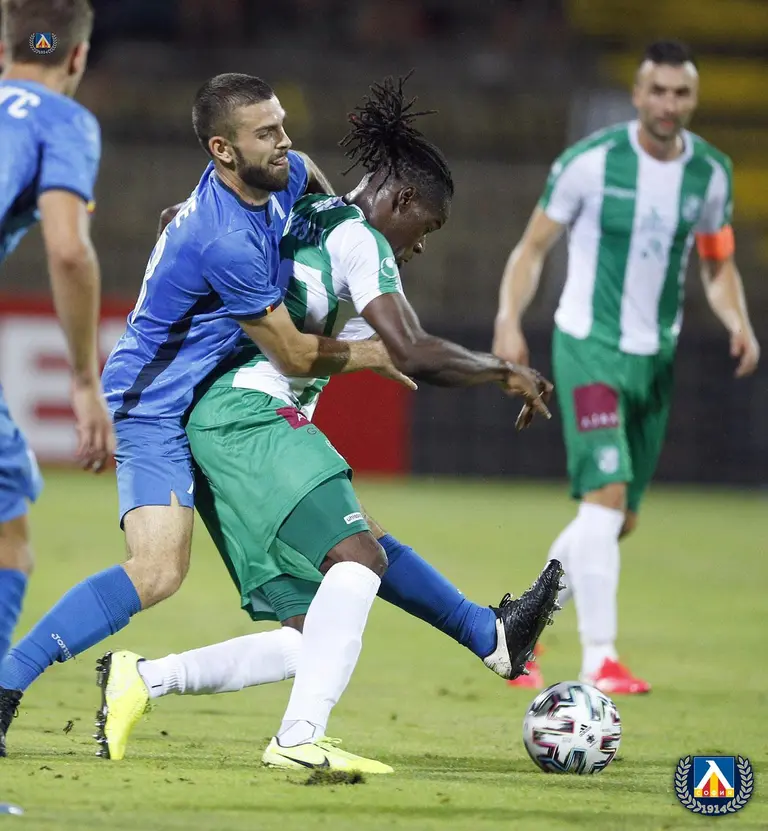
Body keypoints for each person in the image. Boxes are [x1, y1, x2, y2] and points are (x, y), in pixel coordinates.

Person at [94, 76, 562, 771]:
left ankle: (144, 678)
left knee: (314, 630)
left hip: (218, 428)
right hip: (247, 416)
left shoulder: (300, 202)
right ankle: (298, 738)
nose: (422, 246)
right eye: (428, 226)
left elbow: (216, 203)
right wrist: (502, 370)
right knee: (360, 559)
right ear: (399, 200)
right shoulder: (357, 237)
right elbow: (411, 349)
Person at [0, 72, 417, 753]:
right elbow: (292, 353)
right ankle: (8, 681)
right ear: (222, 150)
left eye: (281, 125)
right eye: (265, 133)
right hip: (154, 405)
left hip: (214, 403)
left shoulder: (282, 175)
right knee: (157, 569)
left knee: (330, 585)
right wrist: (380, 350)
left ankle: (162, 683)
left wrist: (338, 229)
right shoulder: (222, 237)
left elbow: (315, 189)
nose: (284, 142)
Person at [493, 40, 760, 694]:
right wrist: (507, 318)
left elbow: (717, 262)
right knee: (606, 497)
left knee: (615, 518)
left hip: (655, 358)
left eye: (680, 93)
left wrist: (738, 321)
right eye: (657, 91)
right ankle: (600, 660)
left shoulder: (711, 174)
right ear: (637, 95)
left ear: (693, 100)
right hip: (590, 347)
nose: (668, 103)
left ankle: (517, 630)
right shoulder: (588, 164)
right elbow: (532, 248)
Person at [0, 0, 113, 753]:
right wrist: (82, 379)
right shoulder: (63, 120)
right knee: (7, 531)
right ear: (76, 58)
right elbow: (69, 250)